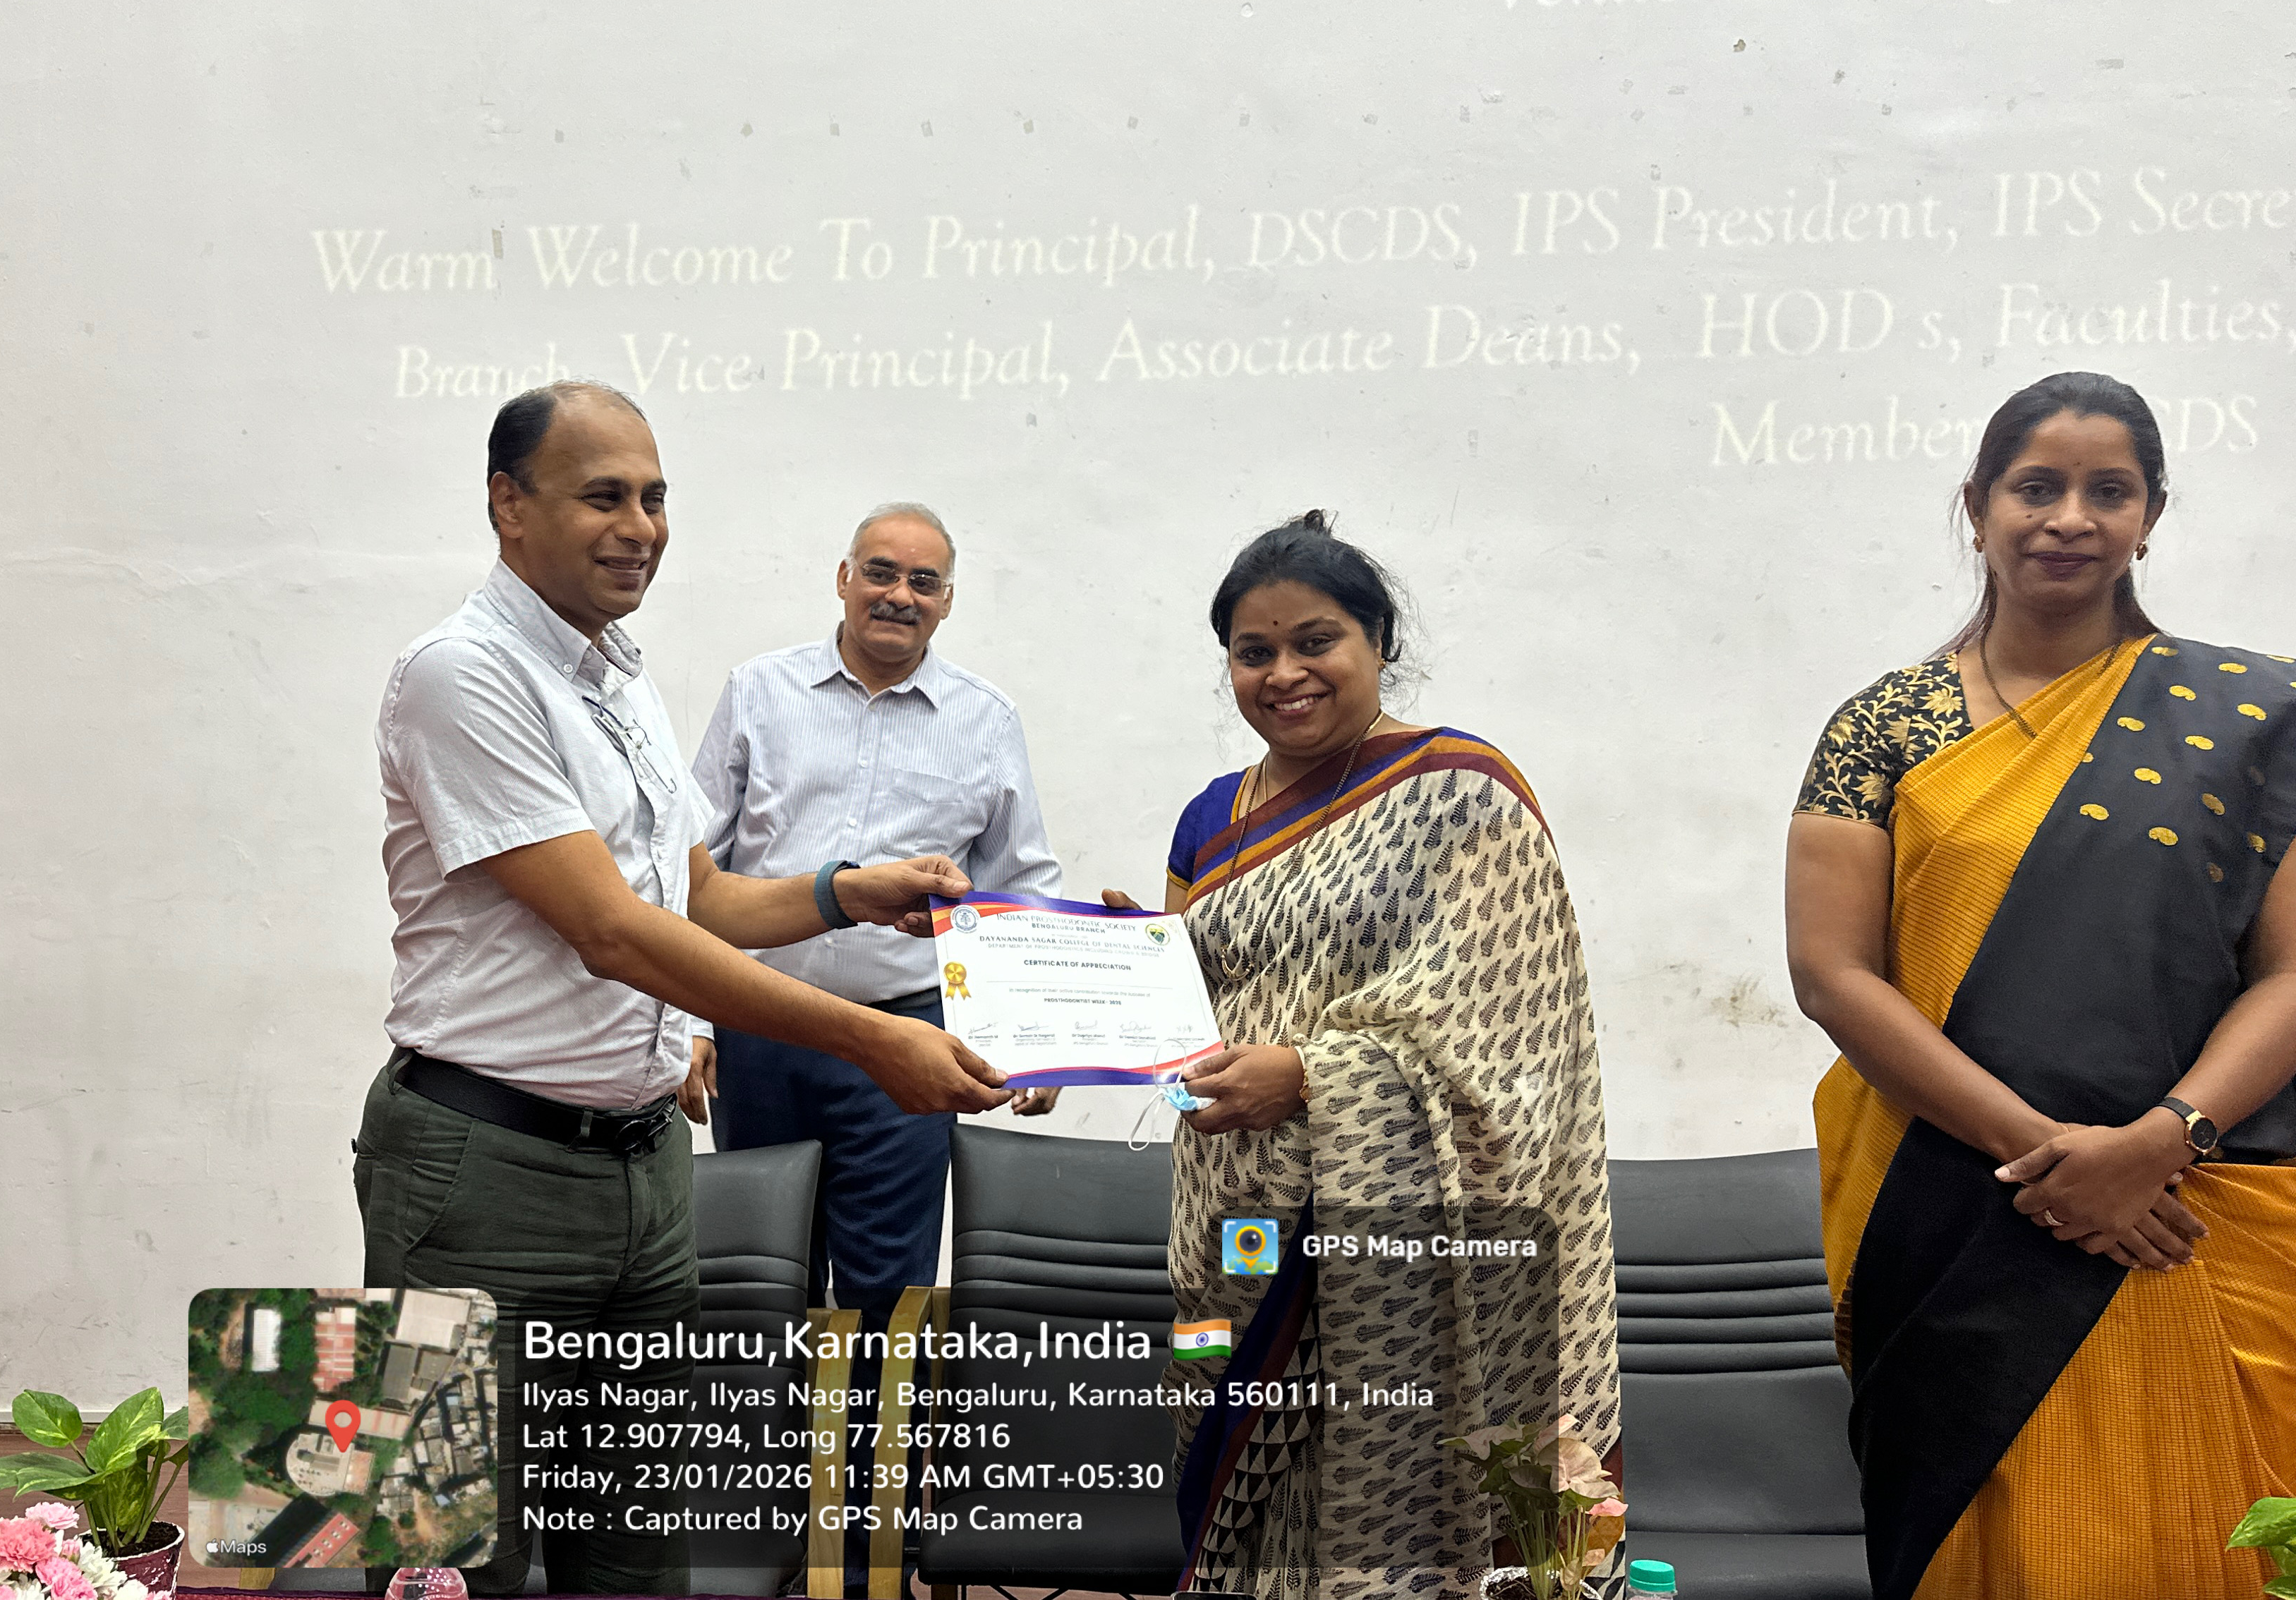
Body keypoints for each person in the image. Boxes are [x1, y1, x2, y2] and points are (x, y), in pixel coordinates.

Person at [363, 380, 1008, 1595]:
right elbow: (614, 932)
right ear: (508, 504)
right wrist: (876, 1037)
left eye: (655, 496)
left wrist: (841, 892)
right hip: (485, 1170)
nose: (640, 525)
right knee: (453, 1551)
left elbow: (691, 893)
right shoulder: (466, 674)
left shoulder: (615, 676)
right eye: (603, 495)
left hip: (644, 1172)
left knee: (638, 1547)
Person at [1787, 371, 2296, 1599]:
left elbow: (2289, 972)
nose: (2067, 515)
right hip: (1958, 1208)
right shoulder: (1883, 726)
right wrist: (2051, 1158)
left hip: (2194, 1204)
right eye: (2035, 486)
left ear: (2148, 515)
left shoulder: (2253, 716)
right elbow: (1830, 972)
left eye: (2105, 490)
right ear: (1976, 506)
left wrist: (2156, 1140)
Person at [1148, 514, 1620, 1598]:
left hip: (1404, 1241)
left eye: (1316, 642)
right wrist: (1110, 984)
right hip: (1238, 1221)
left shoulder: (1460, 793)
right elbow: (1191, 1008)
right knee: (1244, 1501)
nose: (1284, 674)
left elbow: (1510, 1033)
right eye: (1252, 653)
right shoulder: (1210, 820)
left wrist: (1313, 1076)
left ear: (1378, 639)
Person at [685, 501, 1063, 1311]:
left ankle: (868, 1447)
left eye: (924, 581)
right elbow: (687, 867)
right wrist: (682, 1024)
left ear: (948, 601)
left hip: (906, 1045)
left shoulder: (985, 720)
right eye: (881, 573)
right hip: (760, 1032)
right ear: (844, 579)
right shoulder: (759, 690)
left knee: (886, 1299)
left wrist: (1037, 1042)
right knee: (753, 1283)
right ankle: (766, 1446)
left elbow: (1019, 885)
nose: (900, 594)